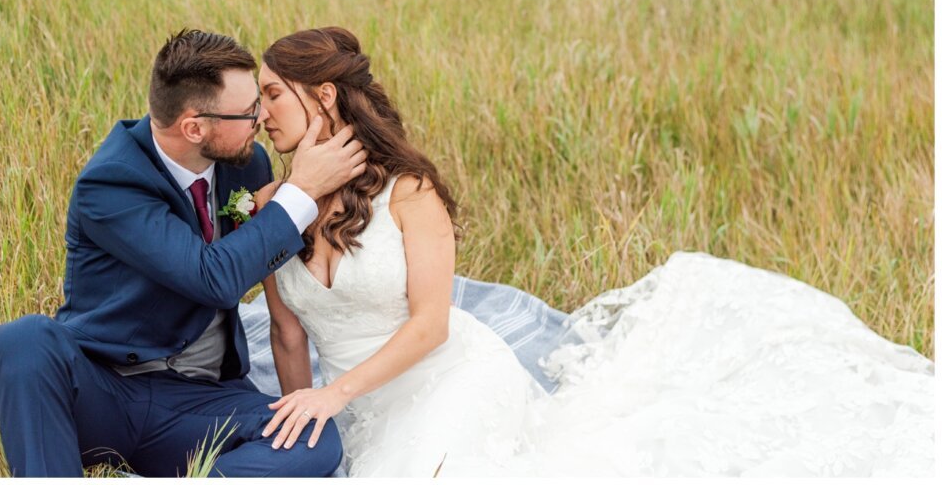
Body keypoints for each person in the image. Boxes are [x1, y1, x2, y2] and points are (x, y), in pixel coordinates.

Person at [251, 26, 934, 477]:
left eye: (273, 95)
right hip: (346, 401)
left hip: (442, 377)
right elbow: (284, 331)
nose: (260, 114)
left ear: (325, 96)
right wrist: (304, 421)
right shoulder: (267, 206)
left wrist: (333, 394)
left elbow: (431, 324)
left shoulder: (410, 191)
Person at [0, 29, 367, 477]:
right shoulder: (111, 184)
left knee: (312, 437)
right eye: (247, 112)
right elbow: (213, 278)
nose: (262, 118)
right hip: (107, 391)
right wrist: (300, 192)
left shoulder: (247, 164)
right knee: (22, 340)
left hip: (200, 402)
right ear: (194, 127)